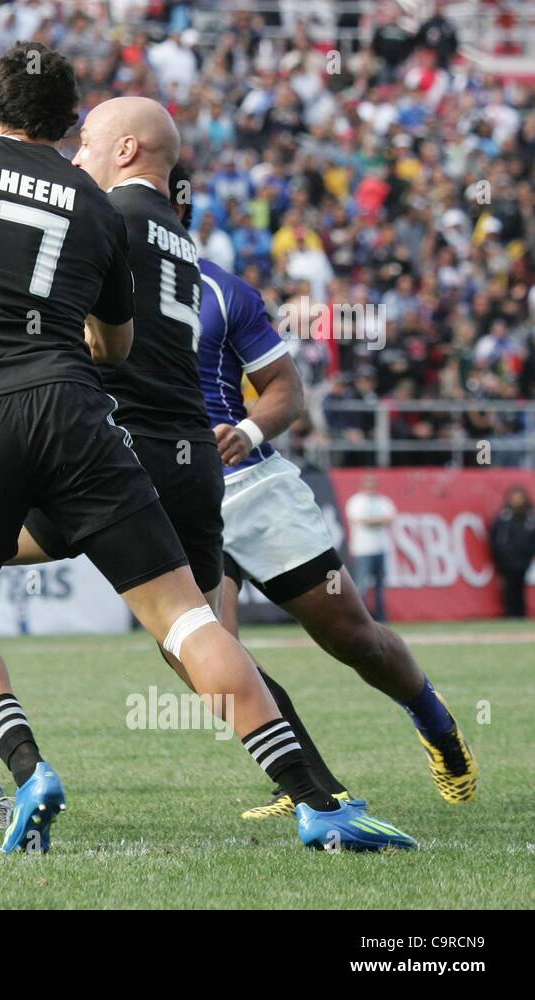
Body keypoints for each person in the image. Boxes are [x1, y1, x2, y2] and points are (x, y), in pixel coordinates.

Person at [0, 45, 415, 854]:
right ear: (67, 127)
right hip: (79, 419)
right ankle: (319, 802)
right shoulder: (97, 206)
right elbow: (115, 343)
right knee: (187, 619)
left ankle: (24, 766)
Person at [164, 165, 478, 813]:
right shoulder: (92, 290)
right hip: (170, 499)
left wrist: (248, 430)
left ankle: (434, 718)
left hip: (249, 490)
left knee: (351, 637)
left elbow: (286, 388)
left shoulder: (222, 293)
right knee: (199, 656)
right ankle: (309, 781)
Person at [345, 474, 396, 621]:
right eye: (368, 485)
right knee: (361, 585)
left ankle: (381, 617)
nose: (371, 489)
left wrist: (372, 521)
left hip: (381, 548)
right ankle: (359, 618)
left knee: (380, 586)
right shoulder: (356, 501)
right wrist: (378, 521)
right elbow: (360, 520)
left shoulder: (382, 501)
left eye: (373, 485)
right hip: (363, 549)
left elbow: (390, 518)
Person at [490, 486, 535, 618]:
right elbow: (496, 538)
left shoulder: (530, 517)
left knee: (520, 587)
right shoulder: (504, 517)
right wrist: (502, 555)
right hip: (507, 559)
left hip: (524, 559)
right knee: (509, 587)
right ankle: (510, 613)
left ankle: (520, 613)